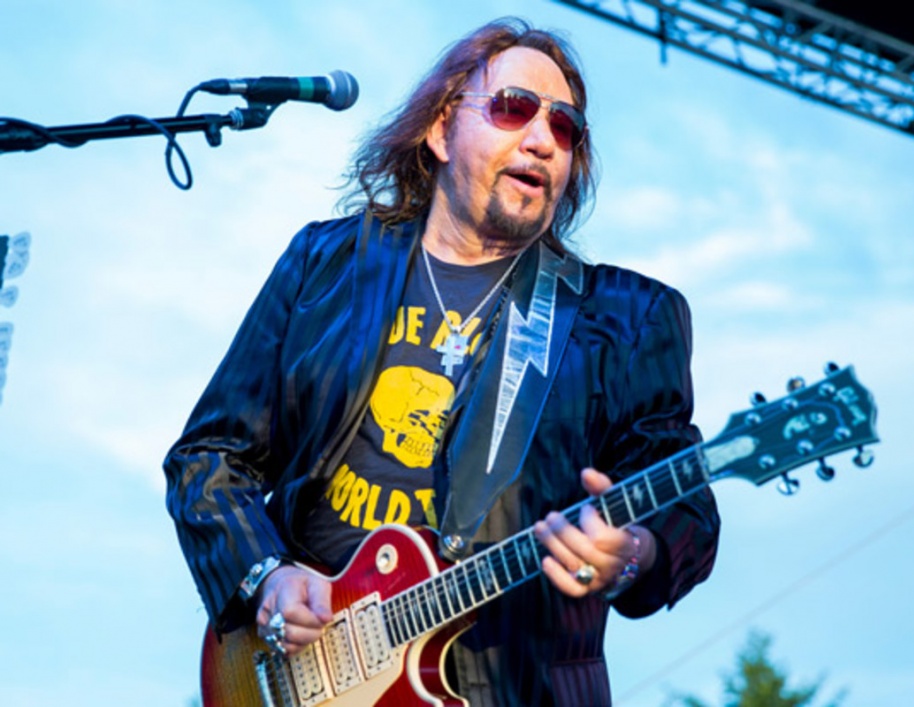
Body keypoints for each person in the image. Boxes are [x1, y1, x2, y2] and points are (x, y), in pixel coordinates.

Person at [164, 17, 720, 706]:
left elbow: (689, 510)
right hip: (299, 677)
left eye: (565, 126)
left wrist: (633, 552)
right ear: (441, 129)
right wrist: (266, 575)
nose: (542, 139)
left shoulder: (627, 319)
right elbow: (210, 455)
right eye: (514, 108)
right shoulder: (325, 265)